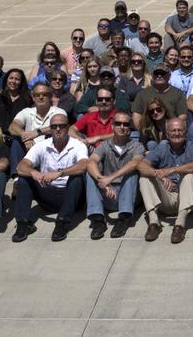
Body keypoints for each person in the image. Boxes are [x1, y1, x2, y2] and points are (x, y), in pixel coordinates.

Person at [13, 109, 88, 242]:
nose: (58, 129)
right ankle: (23, 223)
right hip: (48, 195)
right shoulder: (42, 145)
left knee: (77, 178)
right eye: (54, 126)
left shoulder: (78, 145)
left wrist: (60, 173)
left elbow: (84, 165)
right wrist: (34, 172)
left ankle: (62, 223)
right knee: (24, 178)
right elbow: (20, 166)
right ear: (50, 129)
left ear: (68, 126)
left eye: (62, 126)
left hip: (71, 196)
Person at [136, 117, 193, 243]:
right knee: (145, 178)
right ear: (167, 134)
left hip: (191, 199)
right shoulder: (161, 148)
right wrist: (158, 175)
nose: (176, 133)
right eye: (173, 131)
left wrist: (171, 170)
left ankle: (179, 225)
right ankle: (154, 223)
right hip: (168, 197)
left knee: (189, 176)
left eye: (180, 130)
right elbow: (141, 165)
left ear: (186, 132)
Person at [84, 112, 144, 239]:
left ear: (129, 128)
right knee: (91, 173)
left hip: (129, 195)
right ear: (112, 126)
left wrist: (110, 178)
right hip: (108, 194)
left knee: (132, 172)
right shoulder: (105, 145)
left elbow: (135, 163)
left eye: (126, 124)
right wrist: (102, 182)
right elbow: (91, 162)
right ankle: (98, 220)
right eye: (118, 124)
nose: (122, 127)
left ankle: (124, 219)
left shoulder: (137, 146)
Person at [8, 83, 60, 169]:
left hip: (49, 151)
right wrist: (25, 137)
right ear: (33, 97)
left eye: (44, 94)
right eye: (37, 95)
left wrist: (38, 132)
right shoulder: (27, 111)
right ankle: (17, 176)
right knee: (16, 141)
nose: (40, 97)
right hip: (29, 150)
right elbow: (12, 127)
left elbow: (59, 127)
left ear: (50, 96)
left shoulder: (58, 112)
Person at [0, 69, 30, 145]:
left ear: (21, 82)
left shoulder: (27, 100)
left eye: (17, 79)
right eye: (11, 78)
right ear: (6, 80)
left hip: (20, 138)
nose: (13, 81)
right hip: (1, 138)